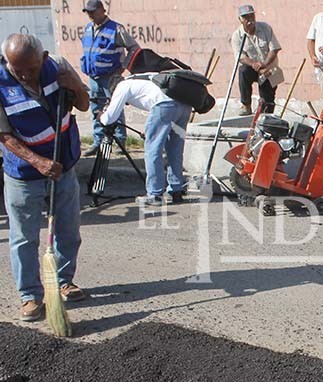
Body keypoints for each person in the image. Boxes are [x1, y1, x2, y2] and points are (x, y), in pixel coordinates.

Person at [0, 34, 90, 321]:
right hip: (24, 173)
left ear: (44, 57)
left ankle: (64, 281)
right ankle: (30, 295)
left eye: (32, 68)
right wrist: (38, 162)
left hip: (63, 164)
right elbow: (4, 136)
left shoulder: (59, 66)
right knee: (24, 238)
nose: (26, 75)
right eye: (18, 70)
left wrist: (75, 85)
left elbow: (84, 105)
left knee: (68, 229)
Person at [99, 78, 191, 206]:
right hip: (184, 105)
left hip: (164, 105)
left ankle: (155, 194)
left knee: (153, 151)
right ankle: (176, 190)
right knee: (175, 150)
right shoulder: (139, 82)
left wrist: (101, 117)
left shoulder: (122, 86)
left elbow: (110, 118)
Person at [80, 0, 139, 156]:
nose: (90, 15)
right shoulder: (88, 29)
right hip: (93, 77)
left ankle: (120, 141)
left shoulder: (116, 29)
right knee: (96, 109)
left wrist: (123, 67)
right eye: (88, 12)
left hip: (111, 77)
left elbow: (134, 48)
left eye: (93, 12)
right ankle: (98, 141)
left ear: (102, 10)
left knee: (115, 107)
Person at [231, 4, 282, 116]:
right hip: (253, 69)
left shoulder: (265, 28)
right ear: (240, 19)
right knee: (243, 71)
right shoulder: (237, 36)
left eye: (251, 16)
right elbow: (241, 57)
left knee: (267, 106)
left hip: (269, 70)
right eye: (246, 17)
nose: (250, 20)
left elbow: (274, 49)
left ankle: (265, 115)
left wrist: (264, 65)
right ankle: (246, 105)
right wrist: (255, 64)